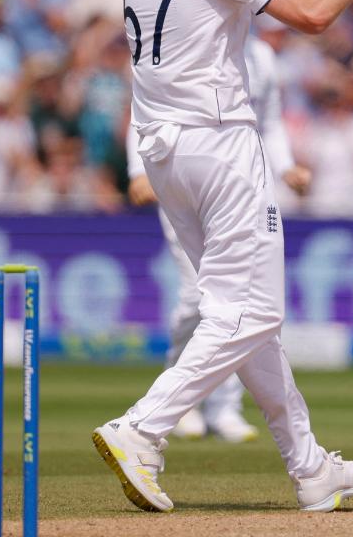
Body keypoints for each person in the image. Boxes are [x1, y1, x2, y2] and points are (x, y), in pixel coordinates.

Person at [92, 0, 353, 513]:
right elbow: (315, 16)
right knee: (253, 310)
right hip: (219, 145)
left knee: (240, 315)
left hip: (163, 150)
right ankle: (142, 429)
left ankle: (312, 467)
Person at [126, 33, 312, 443]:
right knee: (198, 297)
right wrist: (135, 170)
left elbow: (271, 123)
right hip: (189, 176)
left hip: (244, 181)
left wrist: (286, 168)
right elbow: (146, 106)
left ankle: (224, 407)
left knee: (239, 300)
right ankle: (182, 401)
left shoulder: (261, 56)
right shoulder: (192, 36)